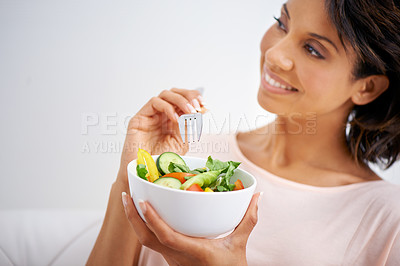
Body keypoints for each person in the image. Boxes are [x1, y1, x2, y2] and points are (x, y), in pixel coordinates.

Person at [87, 0, 400, 265]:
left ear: (366, 86)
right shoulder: (187, 158)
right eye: (282, 23)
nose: (275, 54)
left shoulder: (385, 218)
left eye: (313, 49)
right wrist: (133, 176)